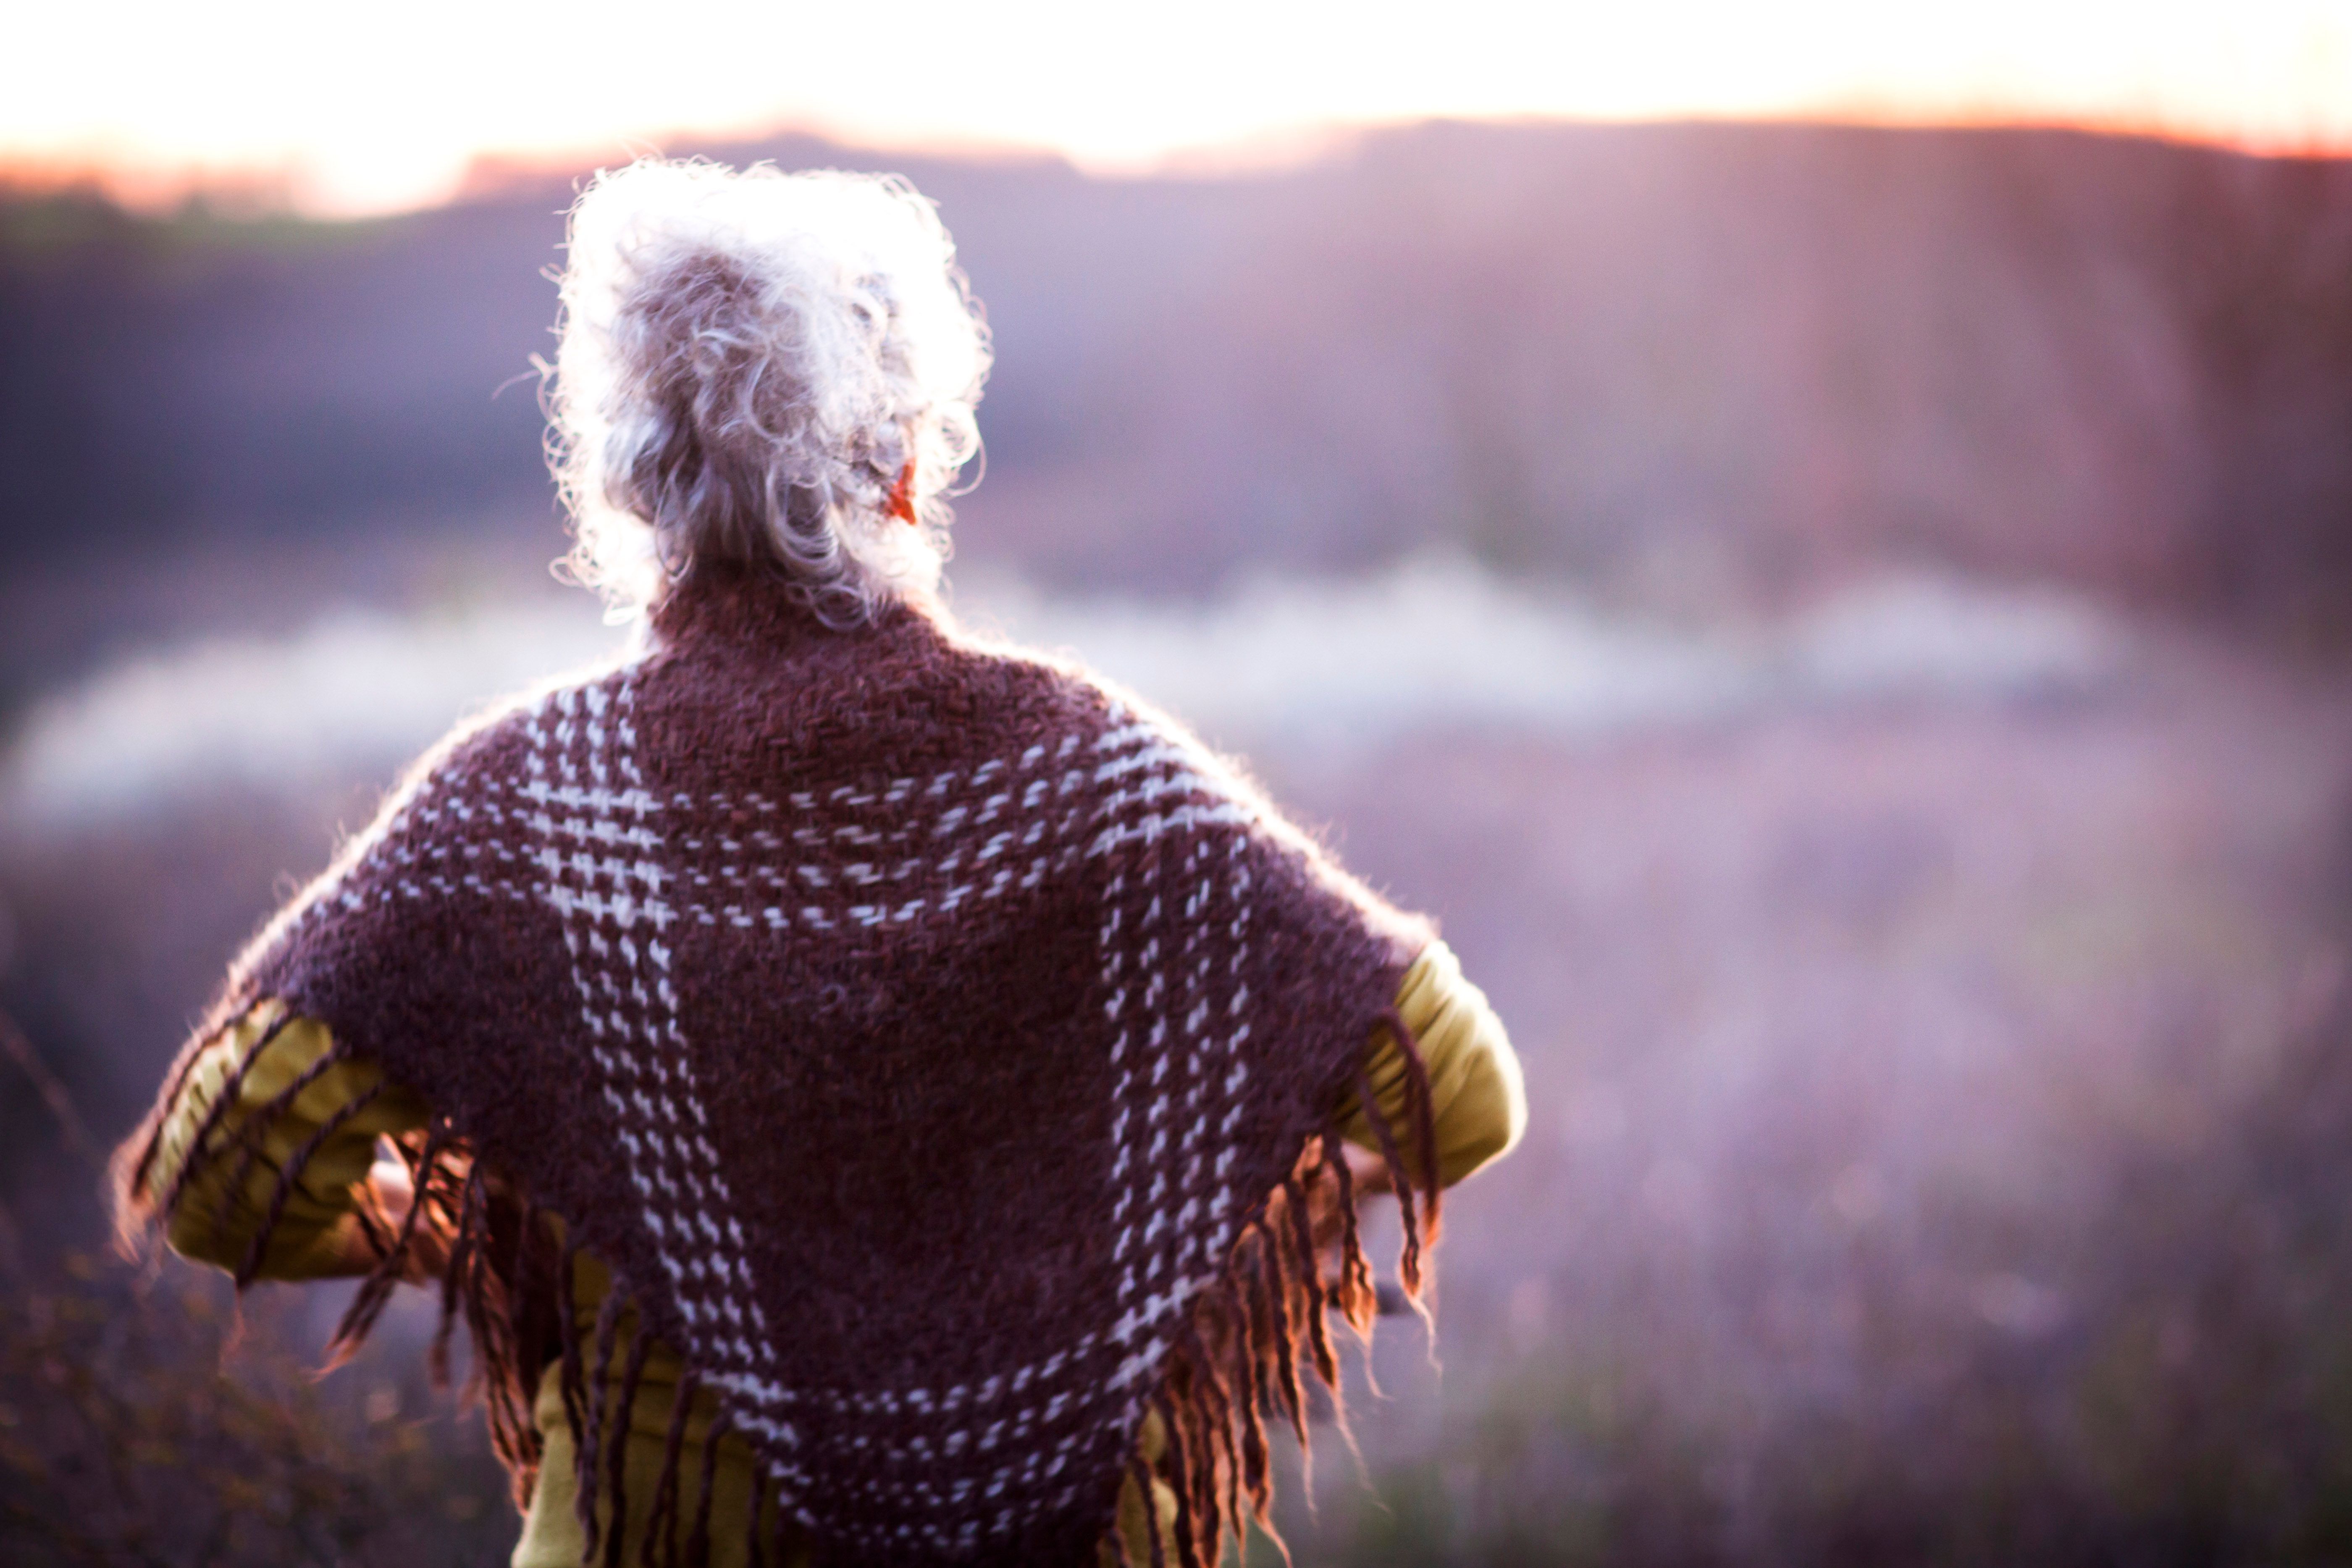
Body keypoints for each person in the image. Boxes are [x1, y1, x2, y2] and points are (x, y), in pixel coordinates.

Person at [112, 158, 1524, 1568]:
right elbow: (1461, 1094)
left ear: (634, 492)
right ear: (904, 467)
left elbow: (220, 1173)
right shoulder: (1097, 776)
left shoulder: (523, 810)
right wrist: (1156, 1244)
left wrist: (524, 1221)